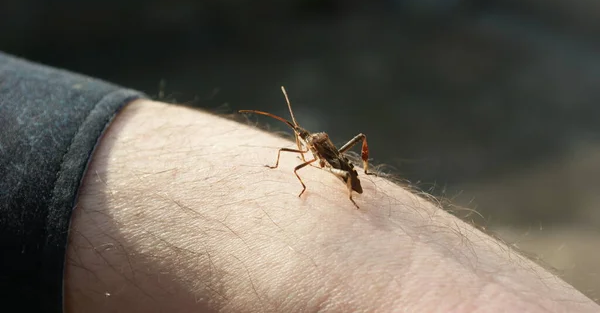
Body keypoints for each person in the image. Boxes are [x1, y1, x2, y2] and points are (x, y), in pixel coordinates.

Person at [1, 51, 598, 313]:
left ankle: (356, 175)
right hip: (341, 169)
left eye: (294, 135)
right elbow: (295, 152)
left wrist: (335, 171)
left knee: (331, 164)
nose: (294, 142)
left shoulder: (317, 152)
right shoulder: (303, 145)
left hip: (345, 170)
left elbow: (307, 157)